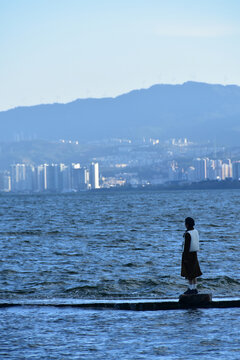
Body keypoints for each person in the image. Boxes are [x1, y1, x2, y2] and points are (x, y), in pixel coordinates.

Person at [181, 217, 202, 294]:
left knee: (189, 273)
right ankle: (195, 288)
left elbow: (186, 247)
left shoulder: (187, 234)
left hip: (188, 254)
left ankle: (190, 289)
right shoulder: (195, 231)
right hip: (194, 254)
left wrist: (185, 258)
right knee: (194, 272)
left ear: (187, 224)